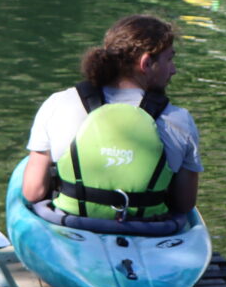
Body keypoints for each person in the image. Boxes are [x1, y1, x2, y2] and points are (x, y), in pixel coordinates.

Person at [21, 15, 200, 222]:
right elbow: (184, 203)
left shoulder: (59, 104)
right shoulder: (179, 120)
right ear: (146, 62)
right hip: (148, 232)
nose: (173, 69)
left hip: (72, 228)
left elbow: (33, 191)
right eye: (169, 59)